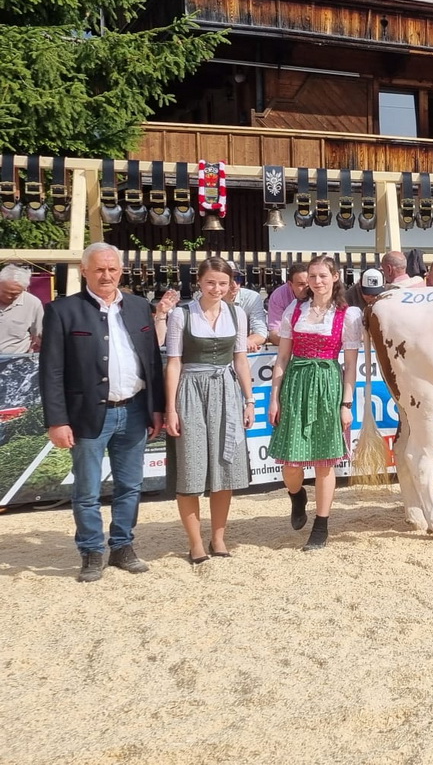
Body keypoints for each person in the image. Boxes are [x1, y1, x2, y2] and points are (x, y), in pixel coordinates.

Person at [39, 243, 165, 582]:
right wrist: (57, 420)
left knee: (130, 486)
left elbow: (152, 361)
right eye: (99, 269)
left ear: (121, 270)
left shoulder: (140, 307)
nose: (106, 275)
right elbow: (50, 371)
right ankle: (92, 552)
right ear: (84, 271)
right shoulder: (63, 311)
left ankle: (123, 546)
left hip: (136, 410)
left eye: (112, 269)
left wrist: (157, 409)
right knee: (87, 490)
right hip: (87, 415)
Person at [268, 255, 364, 551]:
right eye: (313, 276)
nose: (317, 281)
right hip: (296, 383)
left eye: (323, 275)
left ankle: (321, 525)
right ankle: (296, 495)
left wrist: (346, 404)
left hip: (327, 384)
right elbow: (283, 357)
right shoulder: (295, 310)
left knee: (325, 462)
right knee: (291, 463)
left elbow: (350, 364)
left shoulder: (348, 315)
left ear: (335, 277)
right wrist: (275, 397)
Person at [163, 257, 255, 563]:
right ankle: (195, 542)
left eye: (223, 283)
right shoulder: (181, 315)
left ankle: (218, 538)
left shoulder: (237, 313)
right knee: (191, 467)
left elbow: (240, 359)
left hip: (226, 390)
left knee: (223, 467)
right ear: (199, 283)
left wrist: (249, 400)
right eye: (211, 282)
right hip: (190, 390)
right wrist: (171, 408)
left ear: (231, 285)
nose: (217, 288)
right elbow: (174, 362)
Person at [0, 264, 44, 353]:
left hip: (16, 361)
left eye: (15, 294)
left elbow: (39, 334)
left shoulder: (33, 303)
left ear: (25, 289)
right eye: (5, 292)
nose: (8, 297)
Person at [266, 261, 309, 344]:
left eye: (309, 283)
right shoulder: (278, 296)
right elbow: (274, 333)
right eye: (301, 284)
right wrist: (300, 345)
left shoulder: (319, 291)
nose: (307, 288)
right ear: (290, 284)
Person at [227, 267, 268, 350]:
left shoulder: (252, 297)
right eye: (228, 280)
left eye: (238, 278)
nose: (234, 284)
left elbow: (261, 333)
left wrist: (245, 342)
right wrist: (241, 342)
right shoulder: (204, 299)